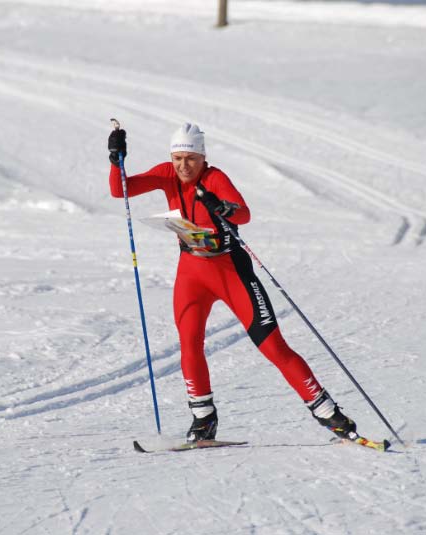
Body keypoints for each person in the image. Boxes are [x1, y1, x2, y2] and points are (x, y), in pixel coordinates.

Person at [108, 122, 358, 442]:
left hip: (230, 271)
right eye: (177, 158)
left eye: (191, 159)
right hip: (192, 273)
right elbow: (121, 190)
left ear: (203, 158)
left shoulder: (215, 178)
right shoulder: (167, 174)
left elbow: (244, 214)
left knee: (273, 347)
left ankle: (327, 412)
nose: (184, 166)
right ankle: (203, 418)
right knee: (189, 343)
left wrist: (225, 208)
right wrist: (116, 162)